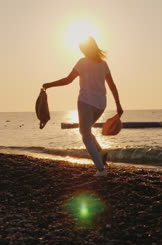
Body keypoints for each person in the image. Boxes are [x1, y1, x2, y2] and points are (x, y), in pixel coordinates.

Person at [42, 36, 123, 176]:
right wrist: (118, 104)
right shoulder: (103, 64)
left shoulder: (82, 62)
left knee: (85, 135)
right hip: (101, 104)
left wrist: (49, 85)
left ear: (86, 49)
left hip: (86, 101)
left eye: (82, 48)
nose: (81, 51)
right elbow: (112, 85)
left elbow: (68, 80)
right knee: (86, 130)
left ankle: (101, 170)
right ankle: (100, 153)